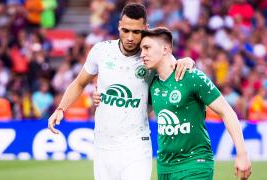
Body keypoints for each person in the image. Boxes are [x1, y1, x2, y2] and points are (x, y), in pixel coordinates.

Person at [48, 3, 194, 180]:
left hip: (136, 146)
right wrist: (60, 109)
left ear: (145, 29)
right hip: (103, 146)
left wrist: (187, 61)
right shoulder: (101, 51)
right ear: (118, 26)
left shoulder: (150, 55)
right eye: (125, 30)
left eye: (136, 32)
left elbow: (176, 65)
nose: (130, 37)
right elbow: (79, 83)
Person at [139, 27, 251, 180]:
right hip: (165, 167)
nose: (142, 54)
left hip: (195, 164)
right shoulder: (152, 83)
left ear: (165, 49)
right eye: (141, 49)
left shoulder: (192, 77)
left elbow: (227, 112)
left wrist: (242, 154)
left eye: (147, 48)